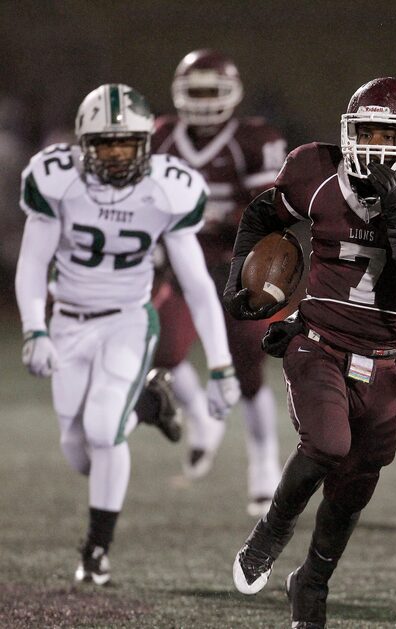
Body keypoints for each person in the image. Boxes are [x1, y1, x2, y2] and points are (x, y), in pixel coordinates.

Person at [224, 77, 396, 628]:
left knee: (356, 486)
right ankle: (271, 530)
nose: (375, 145)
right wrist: (236, 288)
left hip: (384, 361)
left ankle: (311, 583)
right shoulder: (315, 172)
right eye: (366, 132)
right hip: (317, 343)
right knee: (327, 443)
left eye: (390, 132)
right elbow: (261, 217)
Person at [14, 84, 240, 584]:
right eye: (104, 145)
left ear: (145, 145)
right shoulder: (56, 179)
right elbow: (32, 261)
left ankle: (96, 550)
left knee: (101, 430)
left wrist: (221, 365)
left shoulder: (168, 187)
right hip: (68, 320)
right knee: (78, 451)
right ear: (82, 145)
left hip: (128, 319)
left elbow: (198, 283)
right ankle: (148, 406)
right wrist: (35, 329)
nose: (116, 157)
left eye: (126, 145)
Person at [152, 49, 288, 516]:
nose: (205, 102)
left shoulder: (253, 138)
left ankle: (264, 461)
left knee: (249, 370)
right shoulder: (163, 136)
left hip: (239, 267)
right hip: (179, 266)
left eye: (213, 91)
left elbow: (269, 210)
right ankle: (199, 418)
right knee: (164, 349)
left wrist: (208, 215)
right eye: (197, 91)